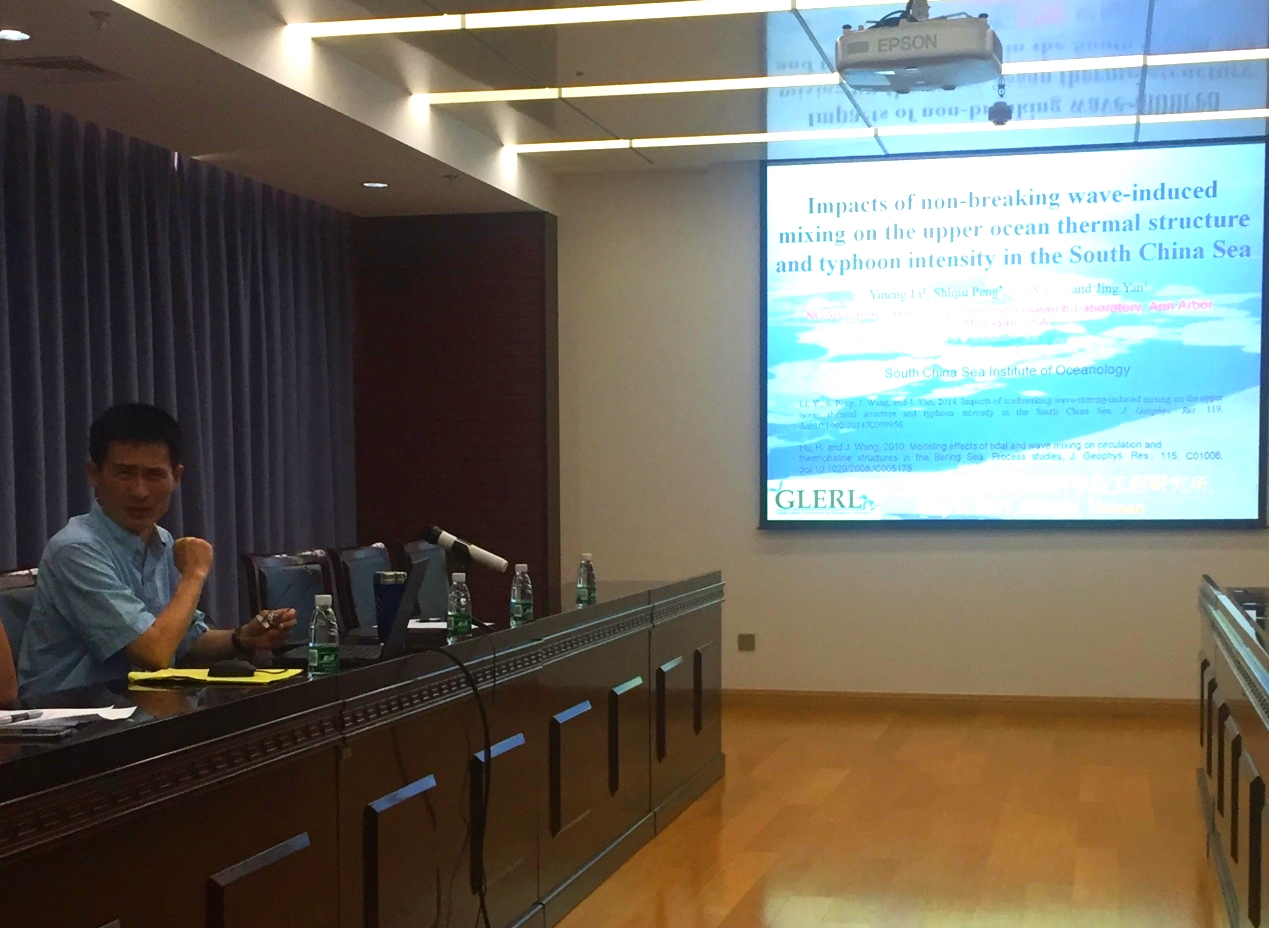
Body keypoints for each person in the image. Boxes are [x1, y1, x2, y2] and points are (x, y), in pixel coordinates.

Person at [17, 403, 296, 697]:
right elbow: (153, 654)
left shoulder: (162, 540)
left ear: (176, 477)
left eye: (154, 475)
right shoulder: (75, 549)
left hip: (140, 708)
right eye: (125, 474)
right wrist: (194, 574)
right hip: (71, 715)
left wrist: (241, 638)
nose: (140, 491)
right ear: (93, 474)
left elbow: (185, 642)